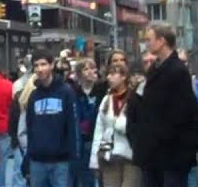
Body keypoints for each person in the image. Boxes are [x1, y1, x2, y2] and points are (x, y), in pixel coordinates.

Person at [130, 22, 198, 187]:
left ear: (161, 41)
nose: (147, 44)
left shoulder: (177, 71)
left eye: (149, 39)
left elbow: (183, 113)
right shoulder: (155, 69)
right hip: (153, 152)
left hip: (172, 152)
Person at [24, 53, 76, 187]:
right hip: (37, 161)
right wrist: (28, 157)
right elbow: (30, 128)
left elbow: (72, 126)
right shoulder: (33, 96)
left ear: (51, 65)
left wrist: (73, 158)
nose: (40, 69)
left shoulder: (66, 92)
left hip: (61, 161)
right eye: (36, 66)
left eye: (43, 64)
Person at [90, 64, 140, 187]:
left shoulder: (135, 99)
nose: (108, 77)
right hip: (109, 155)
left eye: (113, 74)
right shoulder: (106, 100)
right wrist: (94, 159)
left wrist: (123, 124)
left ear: (123, 77)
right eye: (108, 74)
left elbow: (140, 126)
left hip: (131, 155)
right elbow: (99, 129)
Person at [73, 58, 104, 187]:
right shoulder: (74, 92)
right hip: (80, 141)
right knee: (84, 178)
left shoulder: (102, 90)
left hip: (98, 139)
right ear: (79, 73)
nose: (90, 72)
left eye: (92, 68)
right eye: (86, 69)